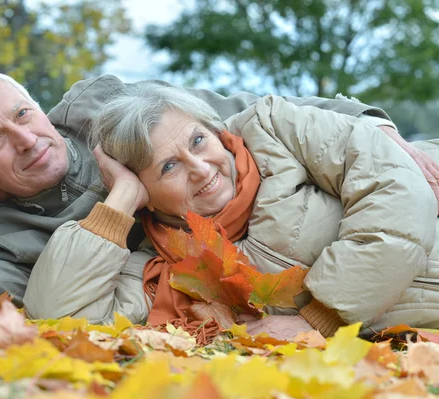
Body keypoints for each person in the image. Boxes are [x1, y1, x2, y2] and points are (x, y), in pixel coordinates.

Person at [0, 71, 406, 320]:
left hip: (320, 205)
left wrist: (368, 124)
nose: (27, 139)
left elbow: (239, 112)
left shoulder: (98, 105)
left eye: (22, 114)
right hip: (232, 268)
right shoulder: (7, 237)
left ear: (39, 106)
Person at [23, 80, 439, 339]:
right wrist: (119, 203)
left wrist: (320, 317)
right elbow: (59, 318)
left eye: (198, 141)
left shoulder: (274, 129)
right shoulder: (165, 267)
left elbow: (398, 191)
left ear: (216, 131)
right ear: (143, 192)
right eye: (168, 167)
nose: (201, 168)